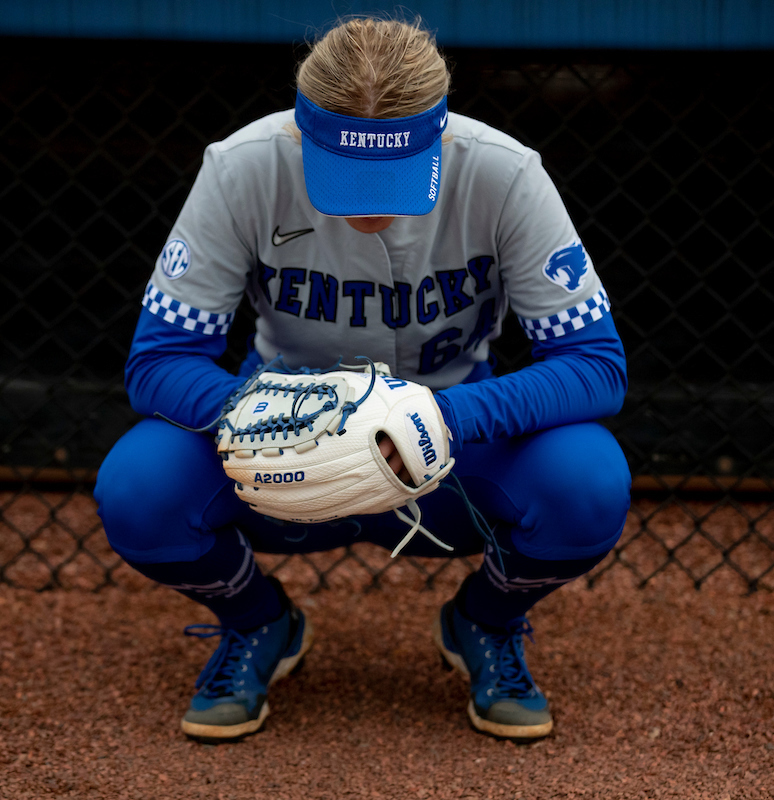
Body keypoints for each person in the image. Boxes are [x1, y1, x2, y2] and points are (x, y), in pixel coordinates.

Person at [94, 16, 631, 742]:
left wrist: (447, 417)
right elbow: (156, 361)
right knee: (139, 484)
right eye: (345, 176)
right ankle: (260, 624)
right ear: (301, 132)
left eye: (394, 177)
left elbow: (597, 366)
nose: (371, 203)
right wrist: (270, 414)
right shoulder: (242, 165)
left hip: (450, 452)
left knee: (588, 478)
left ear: (438, 135)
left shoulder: (504, 171)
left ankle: (485, 622)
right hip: (279, 448)